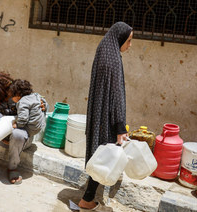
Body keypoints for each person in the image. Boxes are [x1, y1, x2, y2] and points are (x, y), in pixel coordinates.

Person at [78, 22, 133, 211]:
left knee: (98, 153)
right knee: (104, 156)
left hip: (99, 112)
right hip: (108, 117)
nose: (129, 45)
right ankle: (86, 200)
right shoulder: (113, 60)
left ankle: (87, 197)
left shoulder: (103, 51)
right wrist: (120, 127)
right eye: (129, 40)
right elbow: (117, 96)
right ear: (120, 39)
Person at [0, 73, 45, 185]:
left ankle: (12, 167)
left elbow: (38, 100)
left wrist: (43, 105)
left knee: (18, 134)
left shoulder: (19, 93)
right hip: (2, 137)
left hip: (21, 138)